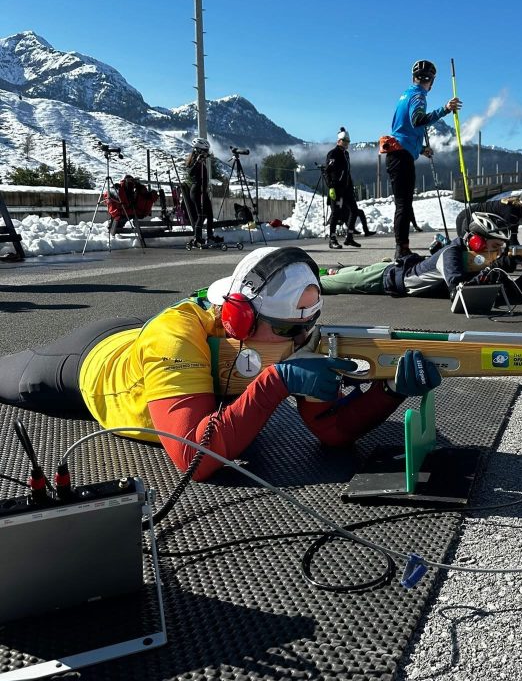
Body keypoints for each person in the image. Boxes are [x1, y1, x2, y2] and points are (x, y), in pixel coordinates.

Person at [0, 248, 441, 482]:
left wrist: (389, 392)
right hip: (92, 362)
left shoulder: (291, 332)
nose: (300, 342)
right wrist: (275, 382)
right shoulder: (175, 337)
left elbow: (331, 432)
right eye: (287, 331)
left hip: (153, 345)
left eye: (305, 328)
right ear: (239, 319)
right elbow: (193, 458)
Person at [320, 211, 522, 303]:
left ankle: (334, 271)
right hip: (385, 277)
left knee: (341, 274)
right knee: (326, 285)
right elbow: (461, 293)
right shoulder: (451, 255)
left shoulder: (476, 259)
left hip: (398, 268)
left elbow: (513, 297)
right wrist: (490, 271)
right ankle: (320, 275)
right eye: (495, 246)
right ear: (475, 241)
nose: (498, 252)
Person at [381, 60, 462, 260]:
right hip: (401, 156)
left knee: (404, 204)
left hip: (398, 152)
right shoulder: (418, 96)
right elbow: (417, 120)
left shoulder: (406, 94)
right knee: (403, 204)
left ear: (413, 77)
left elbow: (405, 129)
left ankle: (403, 248)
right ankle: (401, 250)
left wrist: (420, 148)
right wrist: (445, 109)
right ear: (432, 82)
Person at [454, 187, 522, 246]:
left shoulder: (516, 210)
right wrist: (519, 256)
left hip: (476, 221)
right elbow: (511, 241)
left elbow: (512, 237)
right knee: (466, 249)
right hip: (466, 218)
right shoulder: (511, 211)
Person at [326, 128, 361, 250]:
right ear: (339, 140)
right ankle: (332, 239)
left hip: (347, 188)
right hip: (336, 188)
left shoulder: (346, 154)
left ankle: (349, 237)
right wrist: (331, 187)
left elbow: (347, 172)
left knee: (354, 210)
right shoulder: (333, 153)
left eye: (348, 141)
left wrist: (351, 186)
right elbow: (328, 172)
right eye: (344, 140)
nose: (346, 143)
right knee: (336, 213)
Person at [184, 137, 222, 247]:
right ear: (198, 150)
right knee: (201, 215)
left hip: (202, 191)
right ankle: (197, 238)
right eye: (205, 151)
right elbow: (190, 173)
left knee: (209, 214)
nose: (206, 153)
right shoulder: (194, 161)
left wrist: (206, 157)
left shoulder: (201, 160)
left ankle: (210, 236)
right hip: (197, 191)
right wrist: (197, 162)